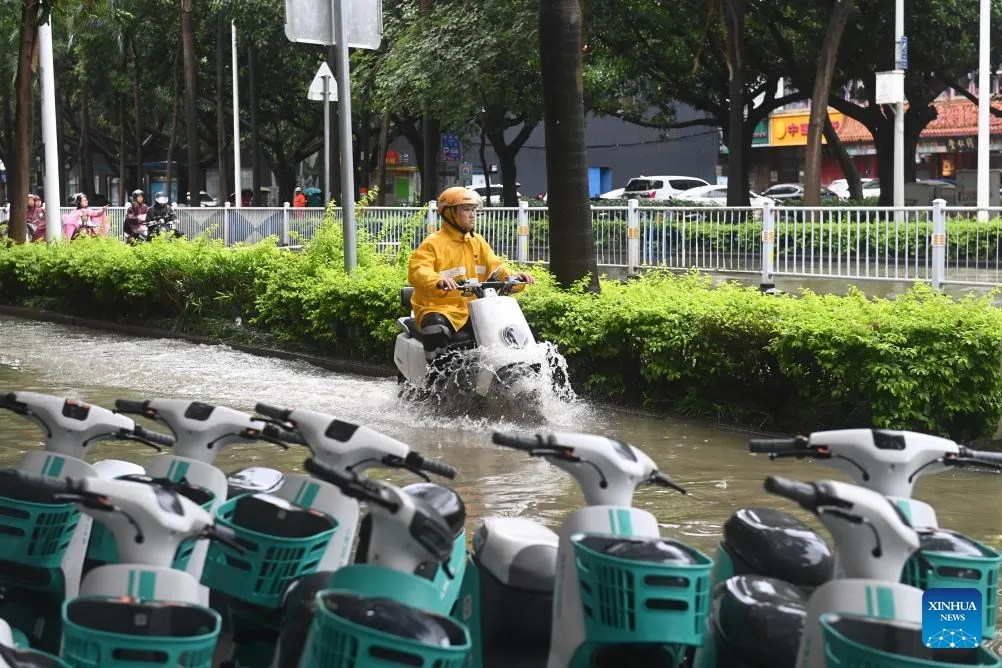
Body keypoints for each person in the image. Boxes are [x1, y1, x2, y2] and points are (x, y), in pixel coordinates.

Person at [407, 186, 534, 362]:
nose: (472, 214)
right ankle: (434, 381)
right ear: (450, 213)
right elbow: (418, 270)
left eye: (473, 210)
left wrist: (515, 278)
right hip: (439, 308)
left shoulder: (478, 241)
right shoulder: (433, 243)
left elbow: (496, 268)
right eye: (466, 209)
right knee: (435, 327)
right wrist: (438, 280)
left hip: (473, 309)